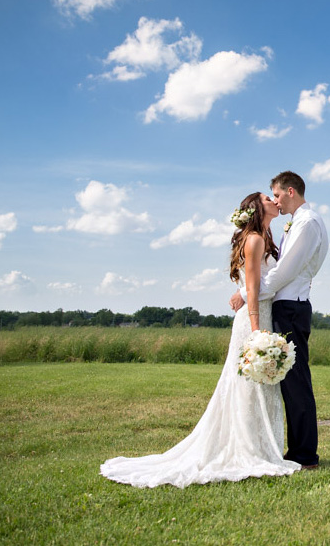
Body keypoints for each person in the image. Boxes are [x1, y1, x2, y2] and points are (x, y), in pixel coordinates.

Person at [100, 192, 301, 487]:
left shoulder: (265, 237)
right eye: (267, 198)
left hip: (264, 315)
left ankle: (260, 447)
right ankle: (249, 449)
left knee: (259, 386)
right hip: (254, 319)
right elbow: (253, 288)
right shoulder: (255, 240)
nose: (274, 200)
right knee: (248, 386)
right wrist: (258, 331)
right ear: (258, 208)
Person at [230, 170, 328, 469]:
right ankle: (290, 448)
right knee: (287, 382)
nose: (275, 201)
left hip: (291, 307)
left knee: (296, 382)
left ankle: (304, 454)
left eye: (276, 194)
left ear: (289, 192)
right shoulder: (297, 223)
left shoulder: (307, 222)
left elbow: (285, 271)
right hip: (284, 306)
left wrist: (246, 296)